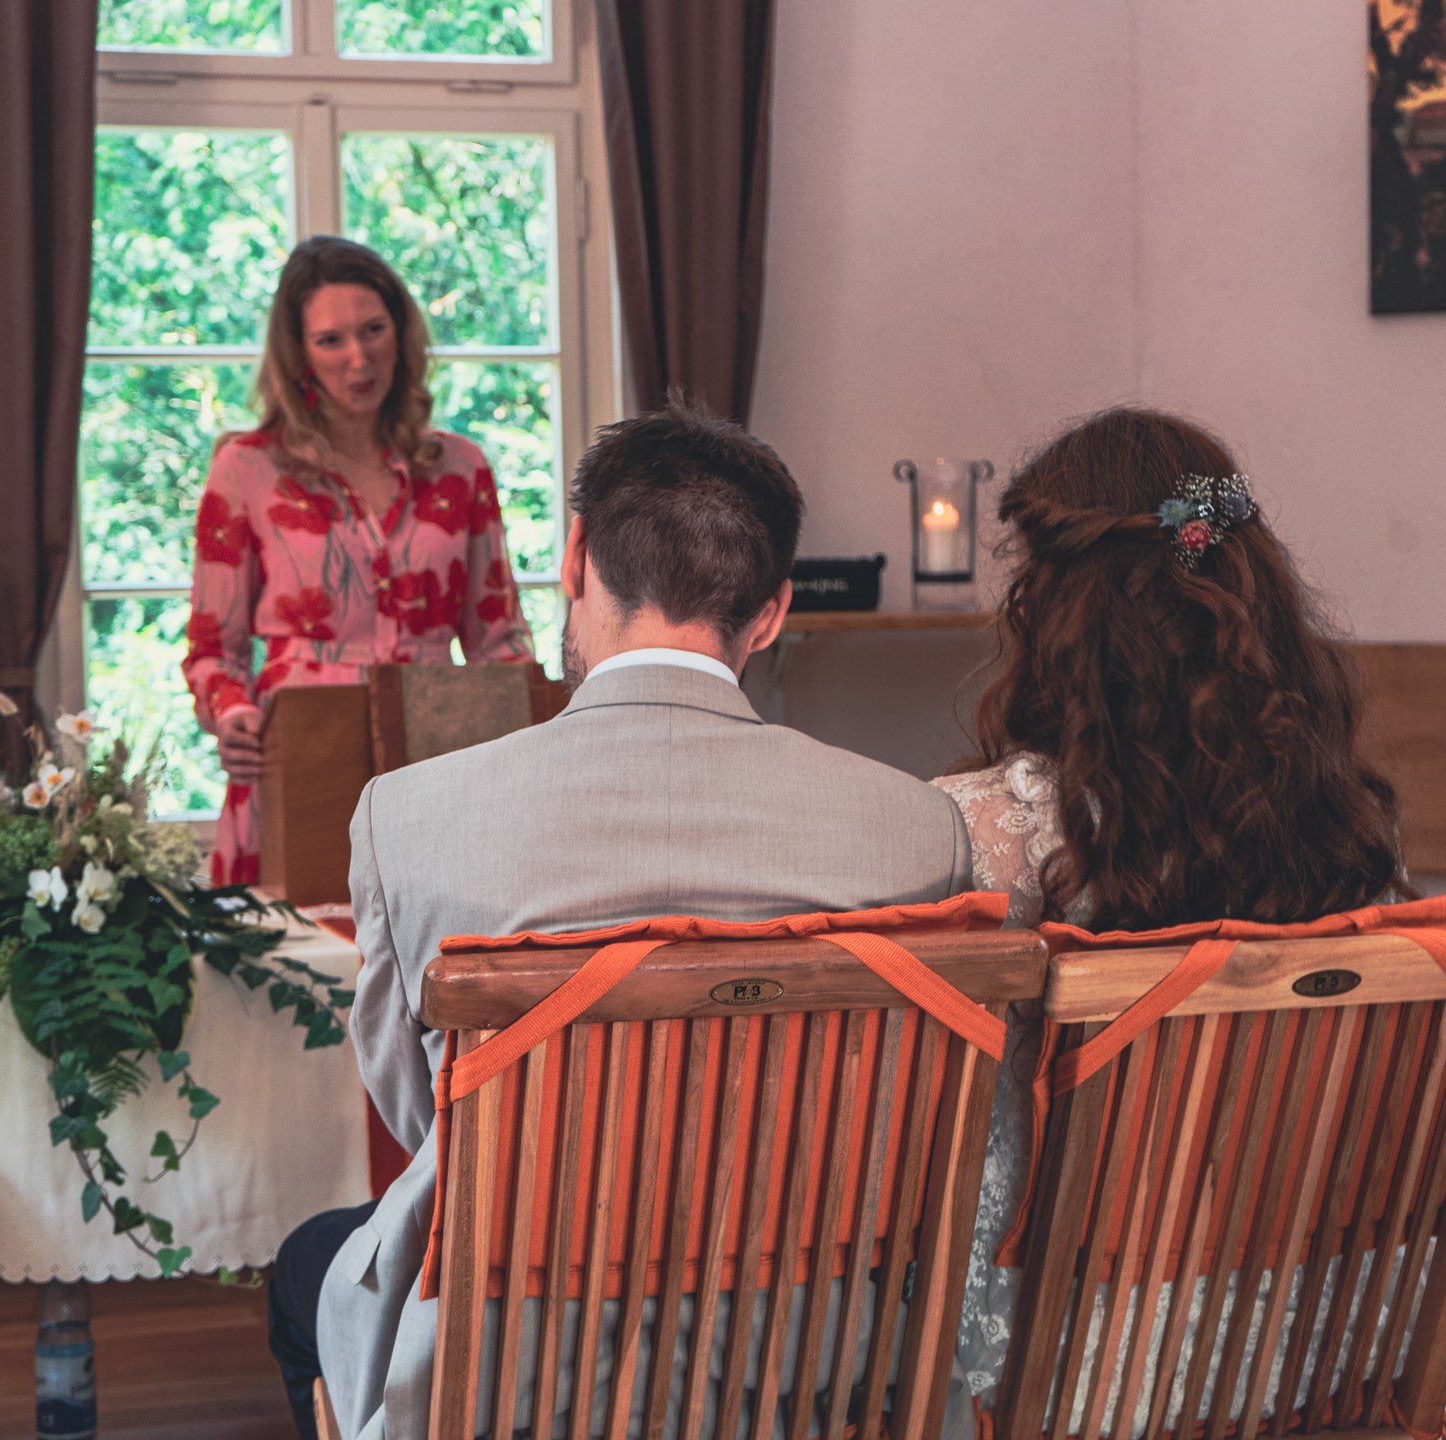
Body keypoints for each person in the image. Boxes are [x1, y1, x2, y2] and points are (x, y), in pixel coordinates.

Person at [268, 403, 976, 1440]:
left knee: (303, 1271)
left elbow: (422, 1119)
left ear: (574, 560)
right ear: (772, 613)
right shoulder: (917, 831)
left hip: (510, 1366)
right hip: (803, 1360)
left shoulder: (407, 818)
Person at [931, 407, 1413, 1405]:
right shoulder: (1350, 829)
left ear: (1051, 603)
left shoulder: (985, 834)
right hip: (1302, 1330)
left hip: (1062, 1340)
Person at [183, 235, 533, 886]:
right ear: (298, 355)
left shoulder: (461, 467)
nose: (359, 358)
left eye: (374, 330)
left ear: (401, 333)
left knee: (434, 947)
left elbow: (500, 641)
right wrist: (231, 716)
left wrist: (531, 747)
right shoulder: (246, 469)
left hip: (435, 763)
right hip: (296, 762)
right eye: (331, 340)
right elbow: (212, 650)